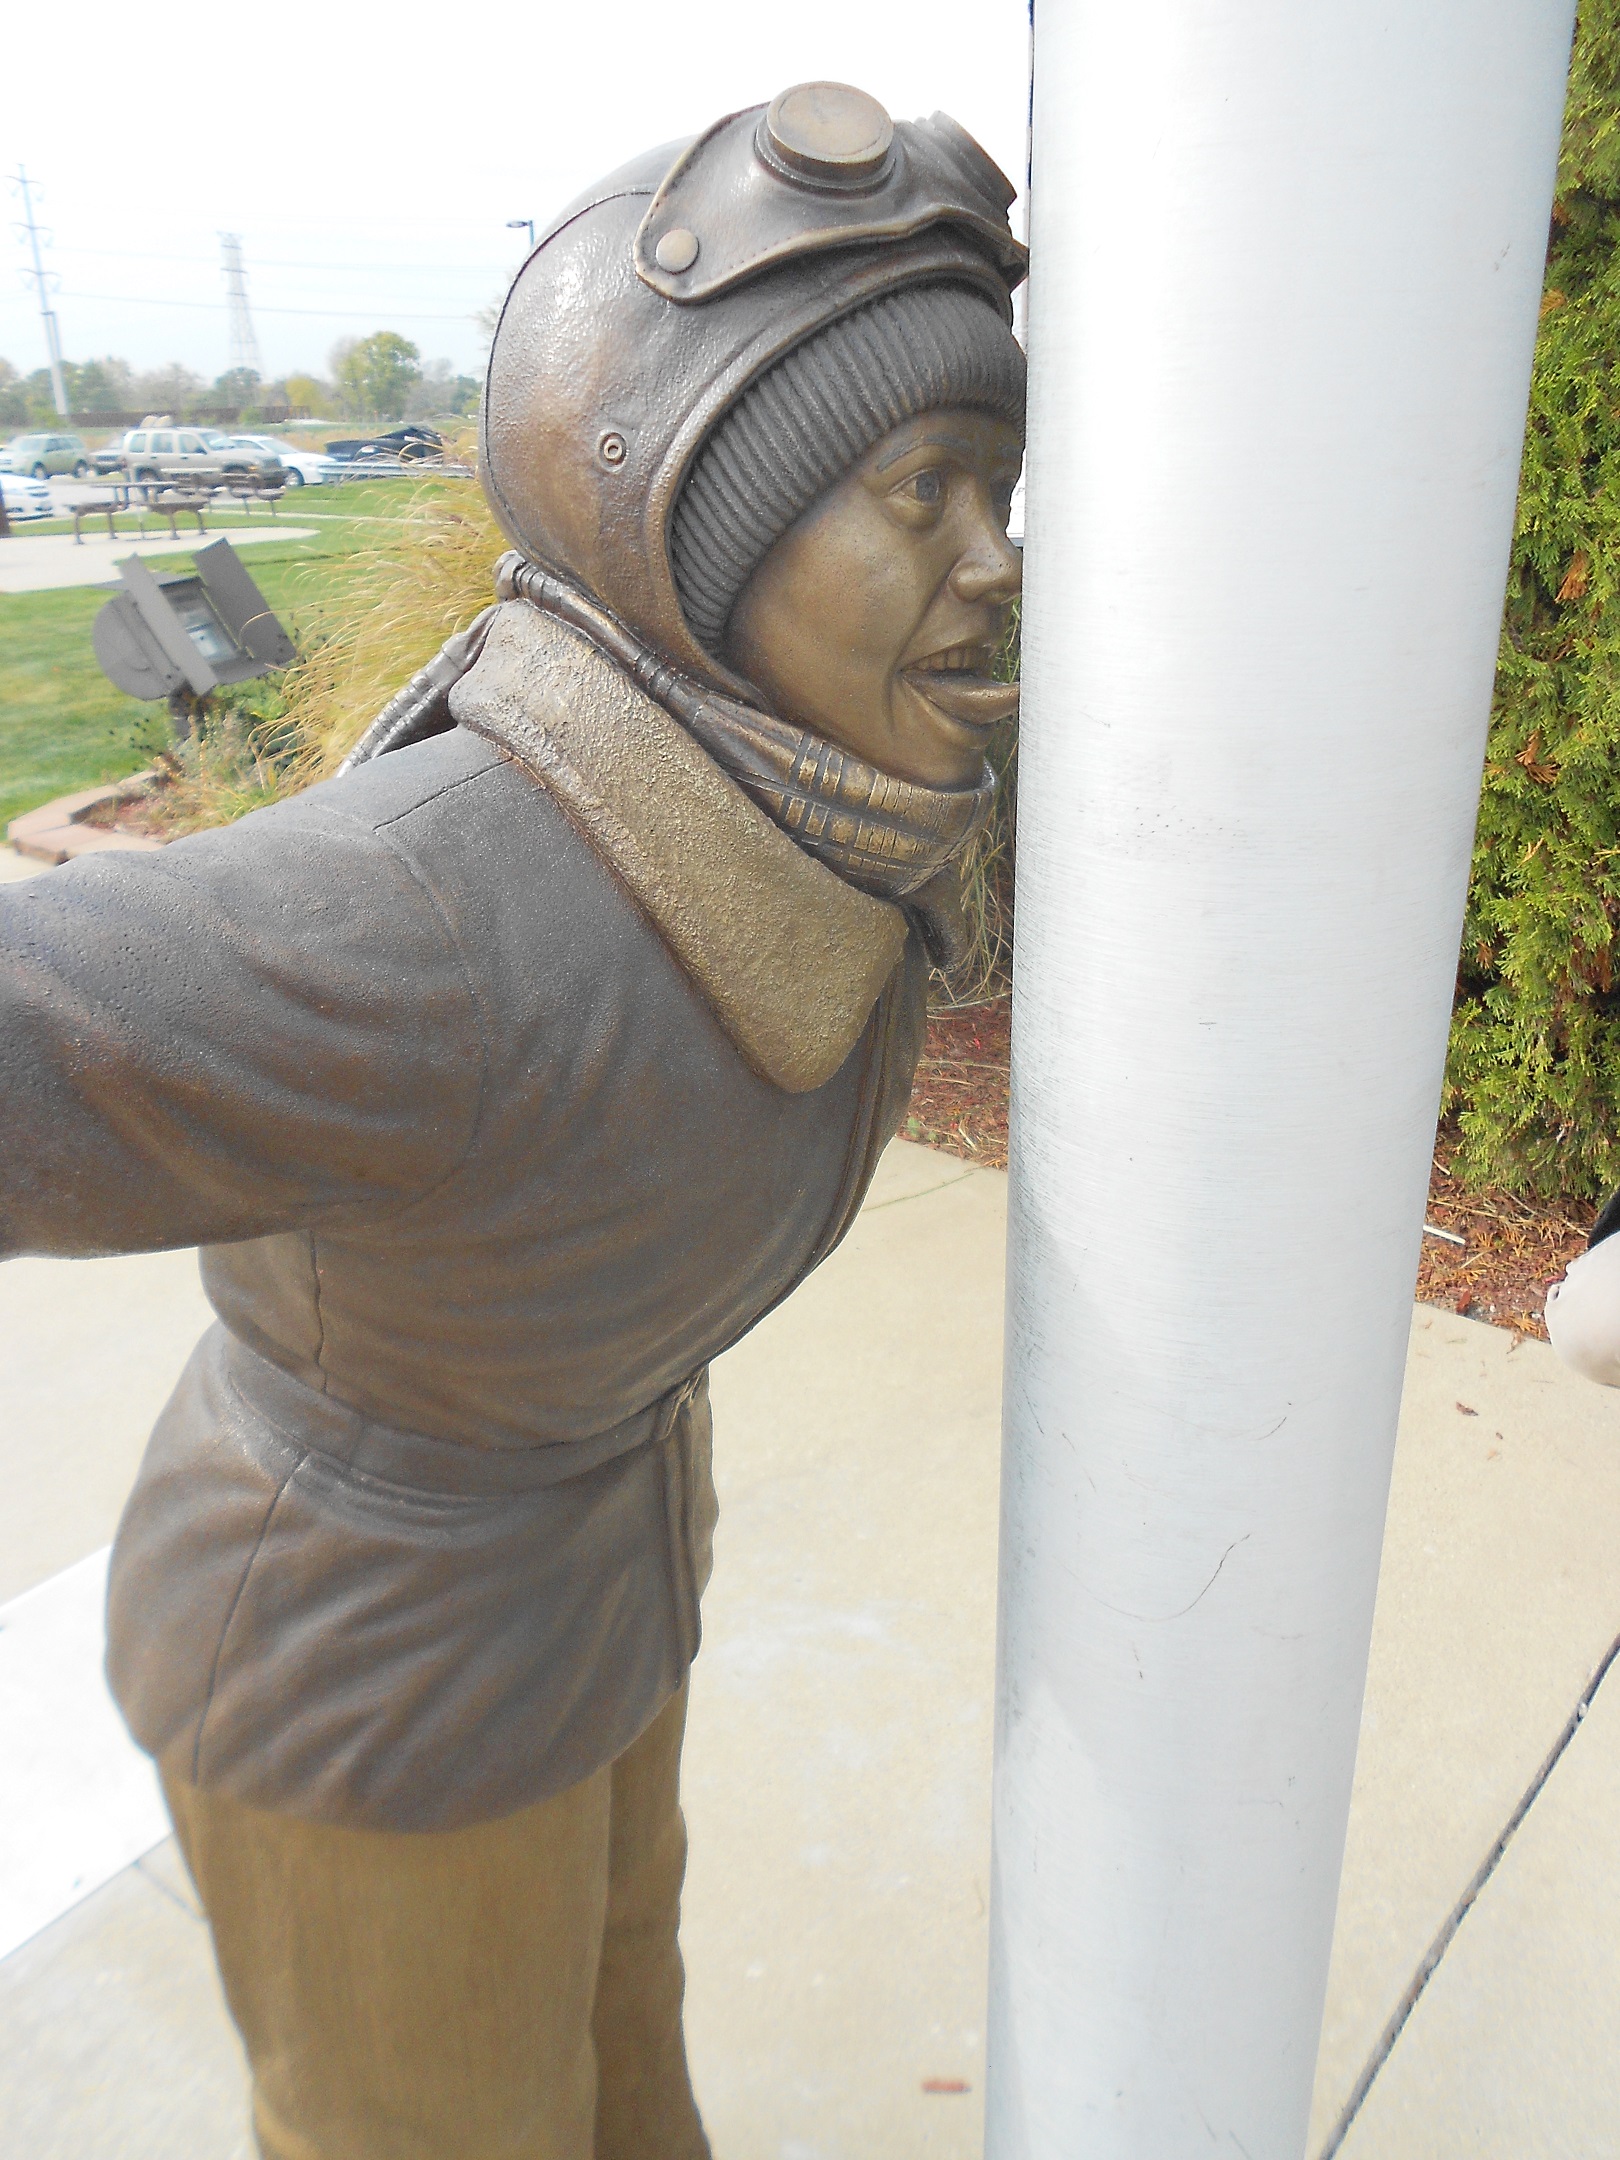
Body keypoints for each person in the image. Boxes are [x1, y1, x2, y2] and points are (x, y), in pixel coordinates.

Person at [0, 83, 1025, 2160]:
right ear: (706, 538)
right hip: (377, 1676)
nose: (996, 564)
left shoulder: (802, 807)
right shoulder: (442, 906)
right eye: (920, 493)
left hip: (598, 1556)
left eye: (1001, 487)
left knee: (620, 2051)